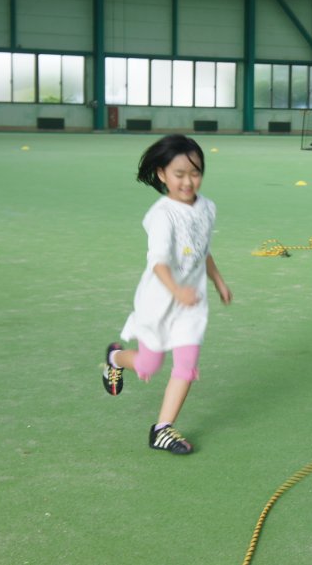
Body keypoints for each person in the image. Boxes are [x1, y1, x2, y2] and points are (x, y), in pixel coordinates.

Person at [101, 134, 233, 455]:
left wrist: (217, 280)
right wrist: (176, 291)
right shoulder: (162, 215)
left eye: (195, 172)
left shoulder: (207, 208)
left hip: (191, 304)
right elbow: (159, 263)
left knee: (186, 367)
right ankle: (115, 358)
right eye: (179, 174)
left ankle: (162, 429)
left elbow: (203, 250)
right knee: (149, 364)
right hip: (159, 302)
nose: (188, 181)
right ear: (162, 174)